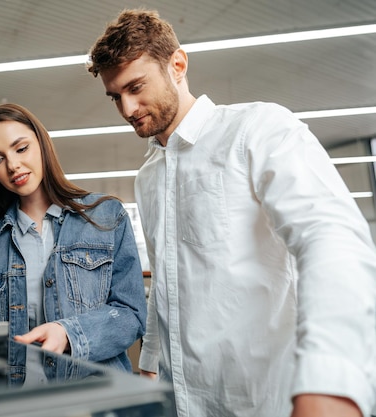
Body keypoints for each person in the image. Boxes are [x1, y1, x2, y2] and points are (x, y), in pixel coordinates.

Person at [87, 8, 376, 417]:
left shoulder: (257, 129)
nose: (128, 108)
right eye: (116, 96)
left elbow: (332, 239)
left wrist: (331, 385)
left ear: (178, 65)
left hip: (267, 399)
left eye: (136, 87)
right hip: (183, 401)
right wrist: (150, 366)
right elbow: (167, 285)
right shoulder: (148, 177)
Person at [0, 103, 147, 384]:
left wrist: (69, 333)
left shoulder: (106, 216)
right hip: (20, 402)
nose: (13, 165)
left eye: (21, 148)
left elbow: (133, 315)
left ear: (42, 145)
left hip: (95, 399)